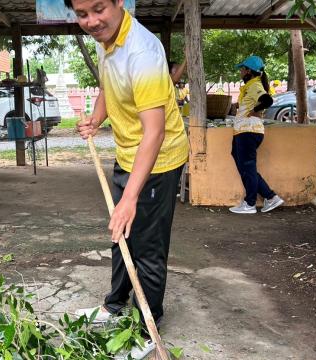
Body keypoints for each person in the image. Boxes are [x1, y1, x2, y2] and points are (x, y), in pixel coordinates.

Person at [65, 0, 189, 358]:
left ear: (119, 1)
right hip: (127, 153)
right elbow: (108, 85)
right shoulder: (108, 40)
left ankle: (146, 326)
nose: (91, 21)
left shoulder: (143, 50)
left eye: (98, 9)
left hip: (157, 160)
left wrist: (131, 198)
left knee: (147, 247)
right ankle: (115, 305)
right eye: (82, 14)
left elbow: (155, 132)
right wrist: (96, 118)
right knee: (120, 233)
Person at [229, 55, 284, 214]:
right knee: (245, 166)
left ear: (248, 71)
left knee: (247, 167)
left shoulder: (254, 85)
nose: (240, 72)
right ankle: (270, 197)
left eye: (242, 69)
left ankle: (250, 203)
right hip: (243, 131)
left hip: (248, 131)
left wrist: (255, 111)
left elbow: (267, 100)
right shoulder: (250, 86)